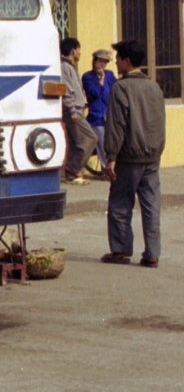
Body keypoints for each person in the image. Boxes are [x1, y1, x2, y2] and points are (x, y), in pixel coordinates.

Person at [100, 39, 165, 268]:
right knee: (151, 206)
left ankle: (121, 249)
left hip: (128, 157)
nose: (115, 62)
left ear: (126, 61)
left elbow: (116, 126)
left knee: (119, 204)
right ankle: (152, 253)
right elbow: (159, 122)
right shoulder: (154, 86)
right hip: (152, 156)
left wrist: (111, 158)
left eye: (118, 58)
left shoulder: (121, 88)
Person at [59, 37, 98, 184]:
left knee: (77, 143)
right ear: (73, 50)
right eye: (79, 49)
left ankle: (72, 172)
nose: (80, 53)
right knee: (90, 138)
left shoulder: (70, 66)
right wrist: (72, 110)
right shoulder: (64, 67)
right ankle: (73, 168)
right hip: (72, 111)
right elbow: (67, 90)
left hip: (77, 109)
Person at [82, 48, 116, 172]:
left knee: (111, 143)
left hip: (109, 115)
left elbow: (115, 89)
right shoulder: (88, 77)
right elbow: (94, 93)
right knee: (101, 143)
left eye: (105, 62)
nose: (102, 65)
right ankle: (105, 169)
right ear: (94, 61)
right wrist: (101, 80)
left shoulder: (110, 75)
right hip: (96, 116)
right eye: (100, 61)